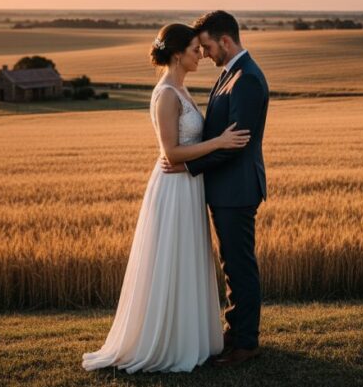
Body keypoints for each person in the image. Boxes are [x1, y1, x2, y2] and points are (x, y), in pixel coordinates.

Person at [82, 23, 250, 373]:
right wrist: (219, 143)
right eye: (194, 49)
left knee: (186, 258)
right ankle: (165, 341)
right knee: (171, 259)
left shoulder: (181, 89)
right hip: (173, 187)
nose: (200, 55)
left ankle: (189, 337)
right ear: (177, 54)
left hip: (189, 185)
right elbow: (171, 153)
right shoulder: (166, 95)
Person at [162, 10, 269, 367]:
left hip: (236, 189)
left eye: (207, 46)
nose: (204, 53)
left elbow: (234, 143)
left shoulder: (247, 79)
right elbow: (218, 139)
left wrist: (187, 165)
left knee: (240, 266)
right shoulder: (230, 74)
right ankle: (235, 330)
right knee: (231, 264)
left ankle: (246, 343)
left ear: (225, 40)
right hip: (224, 189)